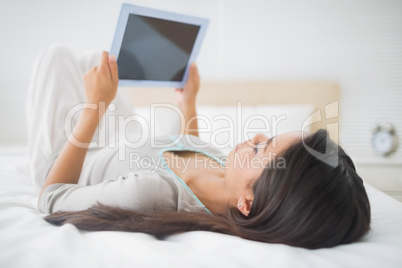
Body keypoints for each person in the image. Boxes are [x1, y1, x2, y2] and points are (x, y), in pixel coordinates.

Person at [28, 45, 370, 249]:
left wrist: (95, 109)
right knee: (97, 59)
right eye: (265, 136)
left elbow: (52, 197)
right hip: (121, 140)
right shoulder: (227, 174)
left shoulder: (151, 193)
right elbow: (192, 143)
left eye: (260, 149)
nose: (253, 138)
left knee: (57, 56)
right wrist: (188, 101)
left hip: (70, 157)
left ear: (247, 203)